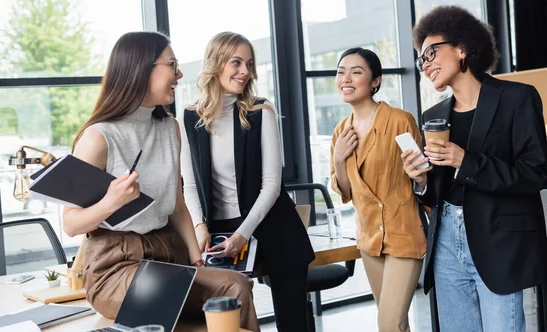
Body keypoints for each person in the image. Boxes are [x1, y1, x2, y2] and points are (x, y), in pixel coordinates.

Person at [62, 31, 259, 331]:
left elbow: (177, 205)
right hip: (116, 267)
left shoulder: (170, 127)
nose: (179, 74)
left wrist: (196, 260)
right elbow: (71, 224)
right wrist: (111, 203)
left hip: (169, 256)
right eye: (172, 65)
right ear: (142, 69)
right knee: (179, 306)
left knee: (236, 286)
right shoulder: (98, 138)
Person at [404, 5, 547, 332]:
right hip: (445, 246)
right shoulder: (433, 116)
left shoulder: (517, 98)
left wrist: (463, 160)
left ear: (462, 48)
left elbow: (536, 171)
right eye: (420, 59)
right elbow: (436, 195)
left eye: (431, 53)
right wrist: (421, 180)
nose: (426, 65)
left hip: (499, 241)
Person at [179, 31, 315, 331]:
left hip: (272, 226)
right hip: (218, 229)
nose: (245, 72)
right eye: (236, 62)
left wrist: (242, 235)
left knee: (293, 324)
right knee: (223, 321)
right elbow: (189, 185)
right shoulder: (190, 118)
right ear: (216, 64)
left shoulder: (259, 111)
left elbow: (272, 186)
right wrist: (199, 225)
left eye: (249, 64)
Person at [330, 47, 426, 332]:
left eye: (356, 72)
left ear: (375, 81)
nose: (346, 78)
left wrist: (421, 177)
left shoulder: (400, 120)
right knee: (395, 324)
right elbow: (346, 193)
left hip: (403, 235)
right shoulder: (340, 131)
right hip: (369, 240)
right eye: (341, 71)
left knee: (389, 324)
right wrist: (338, 158)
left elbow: (421, 178)